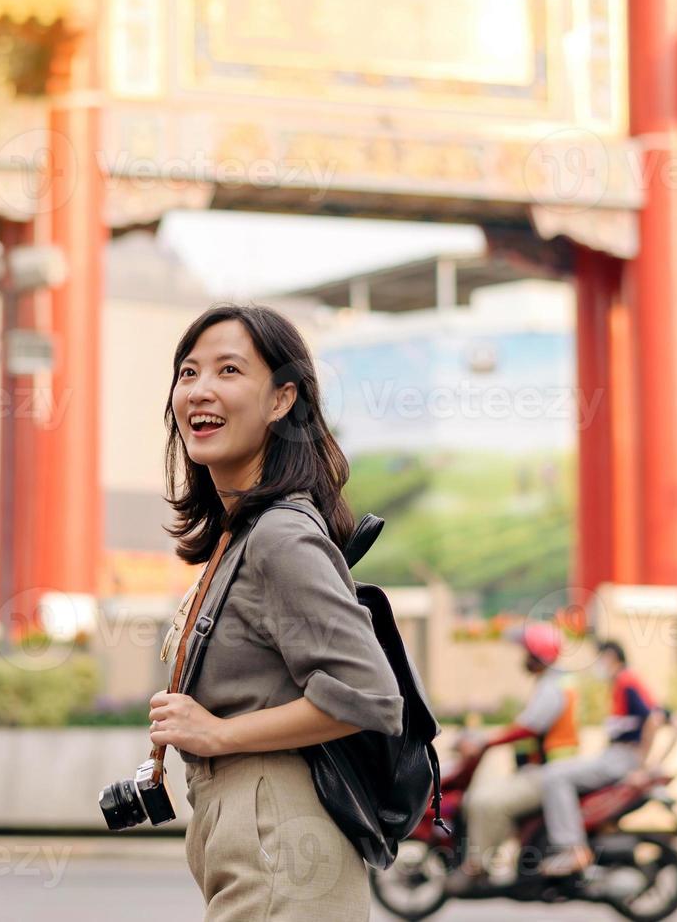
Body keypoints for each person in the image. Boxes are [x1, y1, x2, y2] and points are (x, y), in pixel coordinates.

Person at [146, 303, 404, 921]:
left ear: (282, 399)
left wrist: (217, 732)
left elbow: (369, 695)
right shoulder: (241, 537)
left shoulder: (280, 537)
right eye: (188, 373)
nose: (200, 390)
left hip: (280, 838)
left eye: (229, 370)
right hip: (248, 830)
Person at [445, 623, 579, 893]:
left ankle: (476, 866)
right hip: (542, 773)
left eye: (527, 653)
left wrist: (485, 741)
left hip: (546, 775)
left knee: (484, 802)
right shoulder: (552, 684)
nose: (523, 659)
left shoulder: (552, 688)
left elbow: (528, 727)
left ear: (537, 656)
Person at [538, 639, 663, 877]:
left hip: (621, 758)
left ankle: (573, 850)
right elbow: (670, 717)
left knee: (554, 776)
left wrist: (643, 764)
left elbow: (654, 719)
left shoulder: (626, 680)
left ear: (611, 658)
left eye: (599, 660)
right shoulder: (623, 682)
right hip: (617, 756)